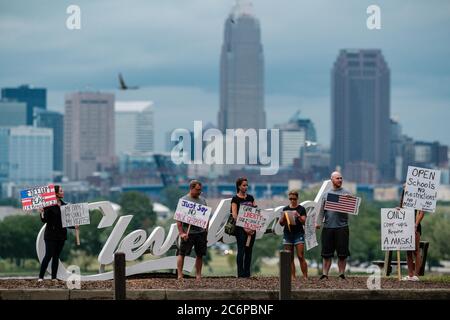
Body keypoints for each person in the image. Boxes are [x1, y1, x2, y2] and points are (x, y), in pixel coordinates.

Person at [316, 171, 352, 280]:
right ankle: (325, 274)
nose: (340, 180)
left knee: (342, 253)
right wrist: (318, 222)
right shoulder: (326, 194)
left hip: (342, 227)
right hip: (328, 227)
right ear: (332, 180)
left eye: (341, 178)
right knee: (326, 253)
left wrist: (348, 200)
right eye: (337, 178)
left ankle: (341, 274)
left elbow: (352, 208)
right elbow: (322, 210)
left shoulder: (347, 193)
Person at [38, 185, 77, 282]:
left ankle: (54, 277)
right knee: (48, 255)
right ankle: (40, 277)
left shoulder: (65, 206)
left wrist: (74, 226)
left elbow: (66, 222)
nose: (63, 192)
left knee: (56, 257)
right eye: (61, 191)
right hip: (50, 235)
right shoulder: (49, 206)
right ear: (56, 193)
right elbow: (44, 220)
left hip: (61, 235)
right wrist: (42, 212)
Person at [176, 180, 208, 280]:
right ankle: (180, 274)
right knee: (182, 253)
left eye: (200, 190)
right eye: (198, 190)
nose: (199, 192)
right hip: (188, 233)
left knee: (200, 254)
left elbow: (206, 217)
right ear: (191, 188)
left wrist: (206, 230)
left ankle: (198, 275)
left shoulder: (203, 201)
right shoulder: (184, 200)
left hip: (200, 233)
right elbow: (178, 220)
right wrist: (181, 233)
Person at [231, 177, 257, 278]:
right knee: (241, 250)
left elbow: (256, 212)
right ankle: (240, 274)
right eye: (244, 185)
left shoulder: (250, 198)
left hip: (251, 228)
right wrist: (244, 227)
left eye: (246, 185)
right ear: (239, 186)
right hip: (240, 229)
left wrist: (252, 227)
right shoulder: (235, 199)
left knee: (249, 251)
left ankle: (247, 273)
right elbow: (234, 215)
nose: (246, 187)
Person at [279, 190, 308, 280]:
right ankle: (293, 276)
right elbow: (281, 223)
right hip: (288, 234)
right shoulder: (285, 209)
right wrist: (283, 218)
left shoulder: (301, 209)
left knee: (300, 255)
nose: (292, 200)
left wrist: (298, 216)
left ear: (297, 198)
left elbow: (304, 221)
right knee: (289, 257)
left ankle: (305, 276)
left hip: (298, 233)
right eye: (290, 199)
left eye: (294, 199)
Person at [399, 185, 425, 281]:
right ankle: (410, 275)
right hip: (406, 225)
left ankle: (416, 275)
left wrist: (415, 224)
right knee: (408, 250)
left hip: (415, 226)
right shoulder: (405, 197)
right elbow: (401, 208)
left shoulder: (418, 197)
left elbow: (421, 213)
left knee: (416, 250)